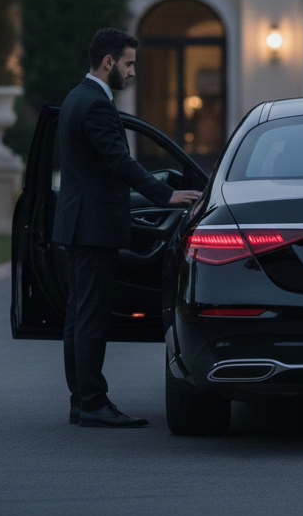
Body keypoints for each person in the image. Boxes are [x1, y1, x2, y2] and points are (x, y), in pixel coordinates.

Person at [53, 28, 201, 427]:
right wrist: (166, 195)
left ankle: (81, 400)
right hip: (92, 228)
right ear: (109, 62)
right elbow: (120, 162)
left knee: (78, 316)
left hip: (77, 224)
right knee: (90, 317)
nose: (133, 72)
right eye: (129, 63)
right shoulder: (96, 105)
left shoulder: (75, 97)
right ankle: (93, 403)